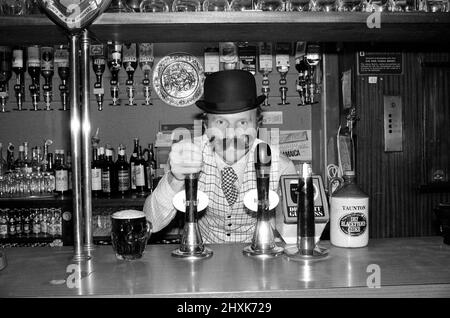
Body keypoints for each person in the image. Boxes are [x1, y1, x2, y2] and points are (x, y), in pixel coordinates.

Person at [143, 70, 297, 243]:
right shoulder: (188, 157)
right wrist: (175, 179)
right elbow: (151, 222)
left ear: (258, 123)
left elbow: (294, 233)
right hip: (204, 260)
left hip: (260, 259)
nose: (231, 134)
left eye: (243, 122)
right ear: (206, 125)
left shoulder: (280, 166)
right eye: (221, 122)